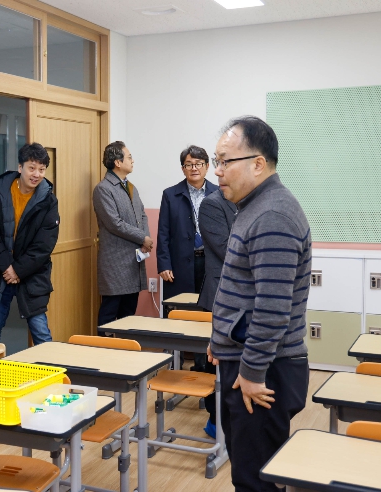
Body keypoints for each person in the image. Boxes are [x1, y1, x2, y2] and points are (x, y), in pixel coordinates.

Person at [207, 116, 310, 491]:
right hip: (250, 360)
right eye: (216, 161)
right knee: (248, 469)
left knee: (255, 481)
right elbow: (243, 288)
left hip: (263, 371)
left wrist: (251, 372)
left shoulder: (272, 215)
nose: (217, 171)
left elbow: (272, 307)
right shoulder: (253, 207)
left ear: (258, 164)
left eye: (224, 161)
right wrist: (220, 338)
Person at [0, 143, 59, 345]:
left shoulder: (48, 201)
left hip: (31, 274)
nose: (36, 174)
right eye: (32, 168)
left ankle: (50, 365)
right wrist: (7, 266)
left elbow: (44, 245)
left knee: (41, 333)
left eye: (41, 169)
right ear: (20, 167)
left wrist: (18, 270)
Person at [157, 145, 217, 370]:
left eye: (198, 164)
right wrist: (164, 263)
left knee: (206, 314)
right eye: (189, 164)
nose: (194, 168)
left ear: (207, 166)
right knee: (179, 314)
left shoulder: (219, 193)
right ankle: (175, 366)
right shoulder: (170, 194)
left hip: (210, 263)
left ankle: (203, 367)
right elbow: (163, 232)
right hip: (180, 263)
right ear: (183, 168)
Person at [93, 141, 152, 327]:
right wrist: (142, 237)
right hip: (115, 263)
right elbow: (114, 224)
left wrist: (146, 238)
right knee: (109, 313)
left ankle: (125, 345)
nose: (132, 161)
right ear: (117, 162)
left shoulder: (131, 187)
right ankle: (104, 346)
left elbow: (142, 215)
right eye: (129, 157)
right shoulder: (103, 189)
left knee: (129, 313)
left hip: (133, 260)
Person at [197, 189, 237, 438]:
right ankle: (215, 420)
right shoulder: (212, 204)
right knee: (218, 363)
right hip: (221, 292)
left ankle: (231, 421)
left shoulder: (247, 201)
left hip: (242, 295)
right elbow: (226, 249)